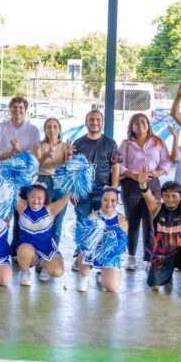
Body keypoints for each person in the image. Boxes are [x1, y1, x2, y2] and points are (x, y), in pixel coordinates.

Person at [118, 113, 168, 272]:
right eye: (136, 123)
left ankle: (149, 258)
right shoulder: (126, 144)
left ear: (148, 124)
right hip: (131, 185)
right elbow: (119, 165)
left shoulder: (158, 142)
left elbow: (166, 162)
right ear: (131, 127)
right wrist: (133, 175)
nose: (140, 125)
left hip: (152, 185)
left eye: (143, 121)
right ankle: (131, 257)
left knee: (151, 223)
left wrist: (158, 172)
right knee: (132, 223)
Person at [139, 172, 181, 298]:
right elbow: (147, 195)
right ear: (161, 196)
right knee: (154, 287)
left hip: (180, 254)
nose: (170, 199)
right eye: (166, 195)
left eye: (174, 196)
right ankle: (167, 275)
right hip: (161, 256)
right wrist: (142, 183)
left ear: (180, 197)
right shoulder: (156, 208)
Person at [73, 110, 121, 264]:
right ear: (86, 122)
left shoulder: (111, 143)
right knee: (83, 224)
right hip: (83, 193)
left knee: (104, 225)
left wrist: (113, 189)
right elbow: (73, 169)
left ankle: (102, 258)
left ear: (102, 122)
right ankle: (80, 257)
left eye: (98, 119)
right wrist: (74, 190)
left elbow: (115, 167)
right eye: (91, 119)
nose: (95, 122)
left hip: (103, 192)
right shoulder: (78, 143)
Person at [15, 182, 71, 286]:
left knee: (58, 271)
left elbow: (64, 200)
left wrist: (74, 186)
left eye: (40, 198)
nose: (36, 201)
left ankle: (45, 267)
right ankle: (25, 272)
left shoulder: (50, 209)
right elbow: (10, 194)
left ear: (45, 199)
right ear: (28, 196)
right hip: (28, 251)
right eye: (33, 197)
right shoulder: (22, 207)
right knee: (23, 250)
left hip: (47, 250)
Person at [76, 187, 129, 293]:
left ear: (117, 202)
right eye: (105, 200)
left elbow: (121, 246)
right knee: (83, 251)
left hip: (110, 254)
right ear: (101, 200)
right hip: (94, 251)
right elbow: (84, 241)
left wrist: (109, 243)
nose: (109, 204)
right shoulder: (93, 216)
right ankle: (84, 278)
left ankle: (103, 272)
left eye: (113, 200)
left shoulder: (121, 220)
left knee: (111, 287)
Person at [0, 96, 40, 174]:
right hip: (0, 175)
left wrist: (20, 149)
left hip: (24, 175)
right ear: (10, 109)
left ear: (25, 110)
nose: (17, 109)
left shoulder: (34, 130)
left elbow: (35, 156)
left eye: (21, 107)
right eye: (14, 107)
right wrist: (10, 154)